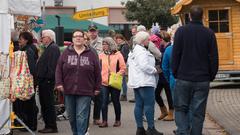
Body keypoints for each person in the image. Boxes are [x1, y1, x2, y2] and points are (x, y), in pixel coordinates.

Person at [172, 5, 219, 135]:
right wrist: (211, 75)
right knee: (198, 112)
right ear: (203, 16)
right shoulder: (209, 33)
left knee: (181, 108)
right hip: (202, 79)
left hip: (183, 77)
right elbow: (214, 57)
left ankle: (183, 132)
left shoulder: (181, 32)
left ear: (190, 16)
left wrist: (175, 72)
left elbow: (176, 55)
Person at [55, 29, 102, 135]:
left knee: (81, 116)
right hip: (68, 89)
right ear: (72, 39)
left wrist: (97, 87)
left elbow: (97, 71)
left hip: (85, 90)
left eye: (80, 36)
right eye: (76, 36)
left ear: (84, 39)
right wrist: (59, 83)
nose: (78, 38)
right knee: (71, 116)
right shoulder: (66, 53)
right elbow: (58, 69)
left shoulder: (91, 54)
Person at [128, 31, 163, 135]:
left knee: (139, 105)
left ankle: (140, 128)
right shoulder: (142, 51)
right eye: (148, 39)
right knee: (149, 105)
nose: (149, 41)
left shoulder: (133, 50)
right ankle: (151, 128)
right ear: (143, 41)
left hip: (137, 81)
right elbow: (144, 66)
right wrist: (154, 70)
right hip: (145, 81)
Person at [13, 31, 39, 132]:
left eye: (21, 39)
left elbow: (31, 69)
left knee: (29, 104)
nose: (19, 41)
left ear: (26, 40)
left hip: (28, 82)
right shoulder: (25, 50)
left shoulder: (28, 51)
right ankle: (29, 124)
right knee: (27, 104)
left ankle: (31, 125)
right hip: (27, 82)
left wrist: (29, 82)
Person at [98, 37, 126, 128]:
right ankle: (104, 121)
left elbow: (123, 68)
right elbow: (98, 68)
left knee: (115, 101)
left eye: (105, 44)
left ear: (110, 45)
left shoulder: (118, 54)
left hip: (115, 82)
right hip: (104, 82)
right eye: (103, 44)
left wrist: (116, 75)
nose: (103, 46)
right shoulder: (101, 55)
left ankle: (118, 120)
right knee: (104, 102)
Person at [36, 29, 60, 133]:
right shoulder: (50, 47)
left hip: (47, 81)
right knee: (45, 104)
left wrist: (49, 79)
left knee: (48, 104)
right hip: (44, 80)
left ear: (49, 38)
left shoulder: (53, 48)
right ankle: (48, 125)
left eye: (43, 37)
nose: (42, 39)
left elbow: (52, 66)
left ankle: (51, 126)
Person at [154, 31, 174, 121]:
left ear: (162, 39)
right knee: (156, 94)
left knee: (169, 95)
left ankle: (171, 113)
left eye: (159, 39)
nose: (158, 41)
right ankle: (164, 111)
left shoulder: (169, 48)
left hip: (167, 74)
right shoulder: (162, 47)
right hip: (161, 74)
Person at [88, 24, 103, 125]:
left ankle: (96, 117)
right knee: (86, 97)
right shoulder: (85, 42)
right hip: (86, 72)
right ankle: (84, 117)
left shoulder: (102, 42)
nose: (92, 33)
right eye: (91, 31)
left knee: (98, 96)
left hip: (98, 71)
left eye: (94, 31)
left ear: (97, 31)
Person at [115, 34, 130, 101]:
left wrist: (118, 59)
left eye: (119, 40)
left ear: (122, 39)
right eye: (117, 40)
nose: (118, 41)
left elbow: (125, 56)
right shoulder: (119, 46)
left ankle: (124, 95)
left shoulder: (124, 46)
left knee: (123, 80)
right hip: (119, 64)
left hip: (122, 65)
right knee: (121, 80)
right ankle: (122, 94)